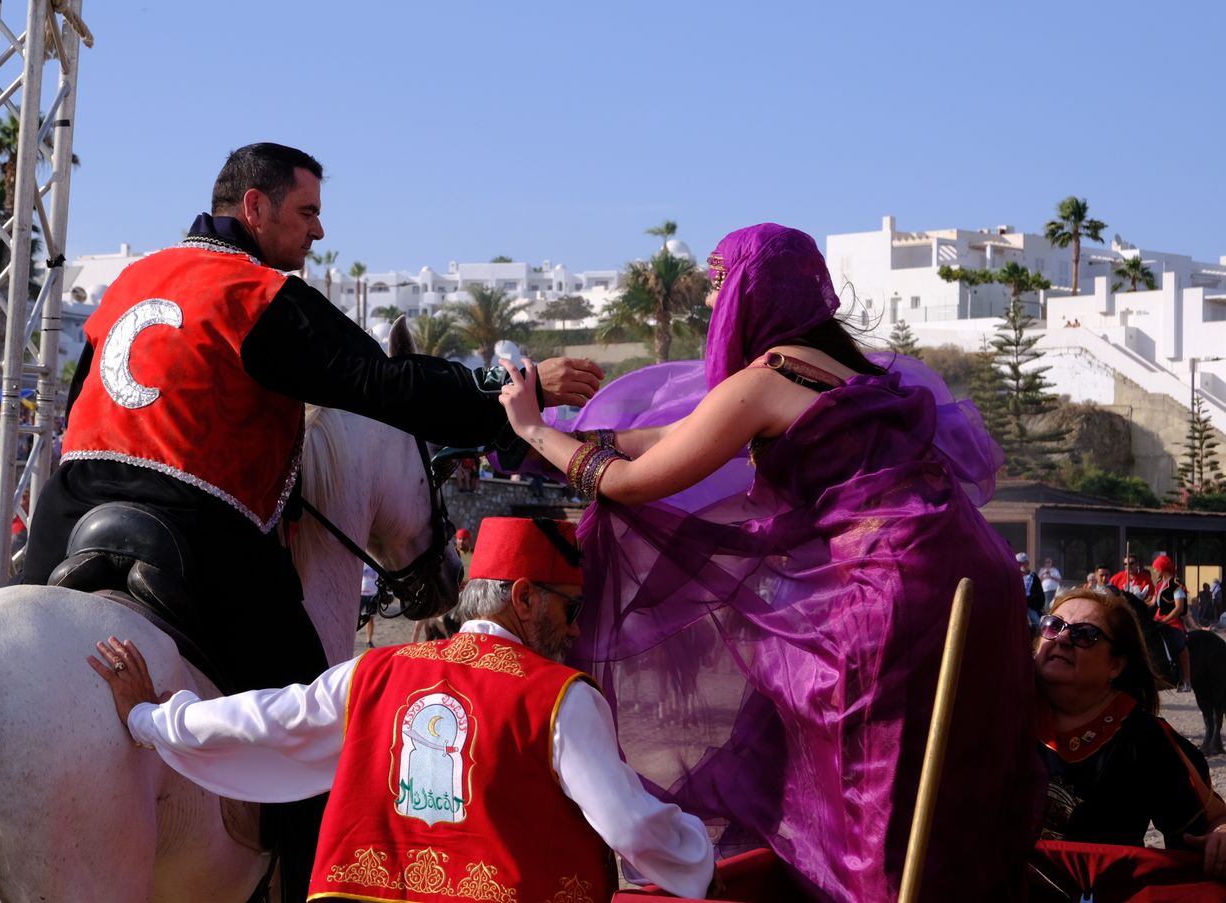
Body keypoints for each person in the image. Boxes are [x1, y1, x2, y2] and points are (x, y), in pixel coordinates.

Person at [20, 142, 602, 903]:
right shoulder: (253, 291)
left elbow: (77, 411)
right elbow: (383, 382)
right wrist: (509, 385)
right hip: (193, 525)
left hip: (68, 516)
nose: (317, 233)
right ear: (252, 208)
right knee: (306, 720)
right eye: (307, 212)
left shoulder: (128, 283)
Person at [496, 224, 1039, 902]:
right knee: (957, 768)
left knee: (871, 778)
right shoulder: (846, 369)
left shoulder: (765, 378)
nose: (713, 298)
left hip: (894, 584)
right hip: (977, 574)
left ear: (754, 289)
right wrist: (545, 444)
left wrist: (530, 430)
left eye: (723, 280)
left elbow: (631, 481)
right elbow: (668, 438)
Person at [88, 517, 716, 901]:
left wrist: (150, 720)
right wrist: (699, 858)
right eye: (569, 609)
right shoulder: (560, 697)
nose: (575, 631)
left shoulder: (374, 672)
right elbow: (631, 828)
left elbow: (265, 719)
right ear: (525, 598)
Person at [1034, 587, 1226, 877]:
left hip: (1100, 895)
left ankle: (1184, 676)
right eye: (1053, 625)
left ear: (1116, 665)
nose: (1062, 638)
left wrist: (1222, 834)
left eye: (1084, 634)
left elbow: (1214, 822)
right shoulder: (1002, 714)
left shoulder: (1146, 739)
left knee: (1178, 642)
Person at [1152, 554, 1192, 692]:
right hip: (1157, 619)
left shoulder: (1176, 584)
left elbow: (1179, 607)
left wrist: (1165, 620)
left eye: (1156, 567)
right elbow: (1152, 602)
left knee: (1179, 645)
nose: (1155, 570)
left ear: (1162, 568)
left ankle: (1186, 679)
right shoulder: (1159, 584)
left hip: (1172, 621)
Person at [1019, 552, 1047, 628]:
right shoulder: (1014, 575)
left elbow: (1039, 593)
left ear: (1027, 563)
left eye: (1022, 563)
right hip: (1017, 605)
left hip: (1030, 605)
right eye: (1018, 563)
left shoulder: (1033, 576)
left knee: (1037, 623)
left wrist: (1030, 601)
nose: (1020, 565)